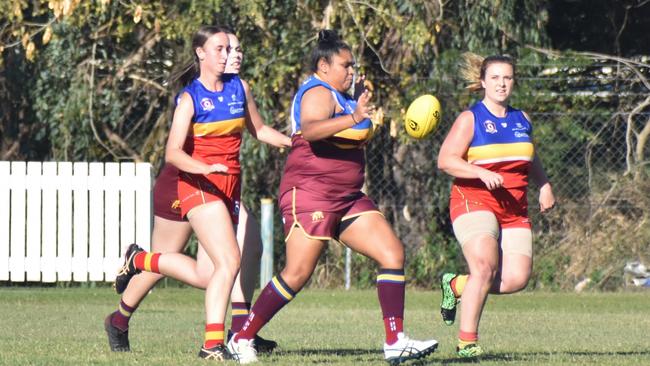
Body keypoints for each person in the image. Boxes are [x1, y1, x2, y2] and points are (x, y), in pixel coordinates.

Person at [225, 30, 438, 365]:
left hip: (347, 196)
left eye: (353, 65)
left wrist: (355, 108)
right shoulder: (317, 92)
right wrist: (353, 116)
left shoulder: (344, 97)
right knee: (297, 273)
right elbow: (310, 129)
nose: (352, 70)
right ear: (323, 66)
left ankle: (395, 340)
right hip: (311, 193)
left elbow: (350, 133)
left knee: (392, 253)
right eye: (345, 65)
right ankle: (242, 336)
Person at [107, 25, 290, 361]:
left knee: (225, 264)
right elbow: (173, 153)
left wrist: (297, 142)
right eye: (224, 49)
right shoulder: (191, 97)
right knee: (214, 259)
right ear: (202, 53)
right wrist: (203, 167)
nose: (232, 55)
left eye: (234, 49)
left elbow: (260, 129)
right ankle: (128, 316)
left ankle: (238, 331)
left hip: (224, 187)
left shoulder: (239, 88)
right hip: (184, 185)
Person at [436, 53, 556, 358]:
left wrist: (543, 184)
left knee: (516, 278)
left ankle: (457, 286)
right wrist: (479, 171)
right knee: (485, 266)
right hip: (473, 200)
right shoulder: (470, 119)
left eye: (507, 78)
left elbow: (531, 156)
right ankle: (467, 343)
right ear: (483, 82)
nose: (502, 84)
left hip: (514, 208)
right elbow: (446, 160)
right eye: (495, 78)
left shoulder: (522, 119)